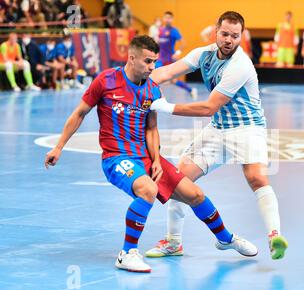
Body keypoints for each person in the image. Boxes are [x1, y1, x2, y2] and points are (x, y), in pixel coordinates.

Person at [44, 35, 257, 273]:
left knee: (194, 194)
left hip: (146, 158)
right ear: (131, 57)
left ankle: (225, 239)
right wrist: (59, 146)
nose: (152, 67)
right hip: (117, 158)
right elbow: (79, 113)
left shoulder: (152, 89)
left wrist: (156, 160)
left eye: (154, 62)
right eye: (147, 61)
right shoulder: (106, 80)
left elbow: (151, 127)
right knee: (148, 189)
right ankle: (127, 253)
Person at [146, 11, 288, 260]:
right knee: (178, 181)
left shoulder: (240, 66)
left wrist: (165, 107)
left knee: (255, 176)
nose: (229, 40)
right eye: (225, 34)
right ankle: (174, 242)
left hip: (248, 128)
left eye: (235, 36)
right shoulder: (204, 54)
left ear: (241, 37)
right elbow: (167, 72)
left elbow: (208, 107)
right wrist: (135, 83)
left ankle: (274, 236)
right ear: (216, 31)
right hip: (218, 128)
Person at [158, 11, 197, 100]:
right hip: (160, 59)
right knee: (153, 77)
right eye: (166, 18)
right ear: (163, 18)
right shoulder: (160, 30)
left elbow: (183, 43)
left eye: (169, 18)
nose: (167, 20)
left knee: (173, 81)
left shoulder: (174, 30)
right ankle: (156, 98)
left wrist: (177, 53)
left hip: (169, 59)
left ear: (172, 19)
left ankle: (190, 90)